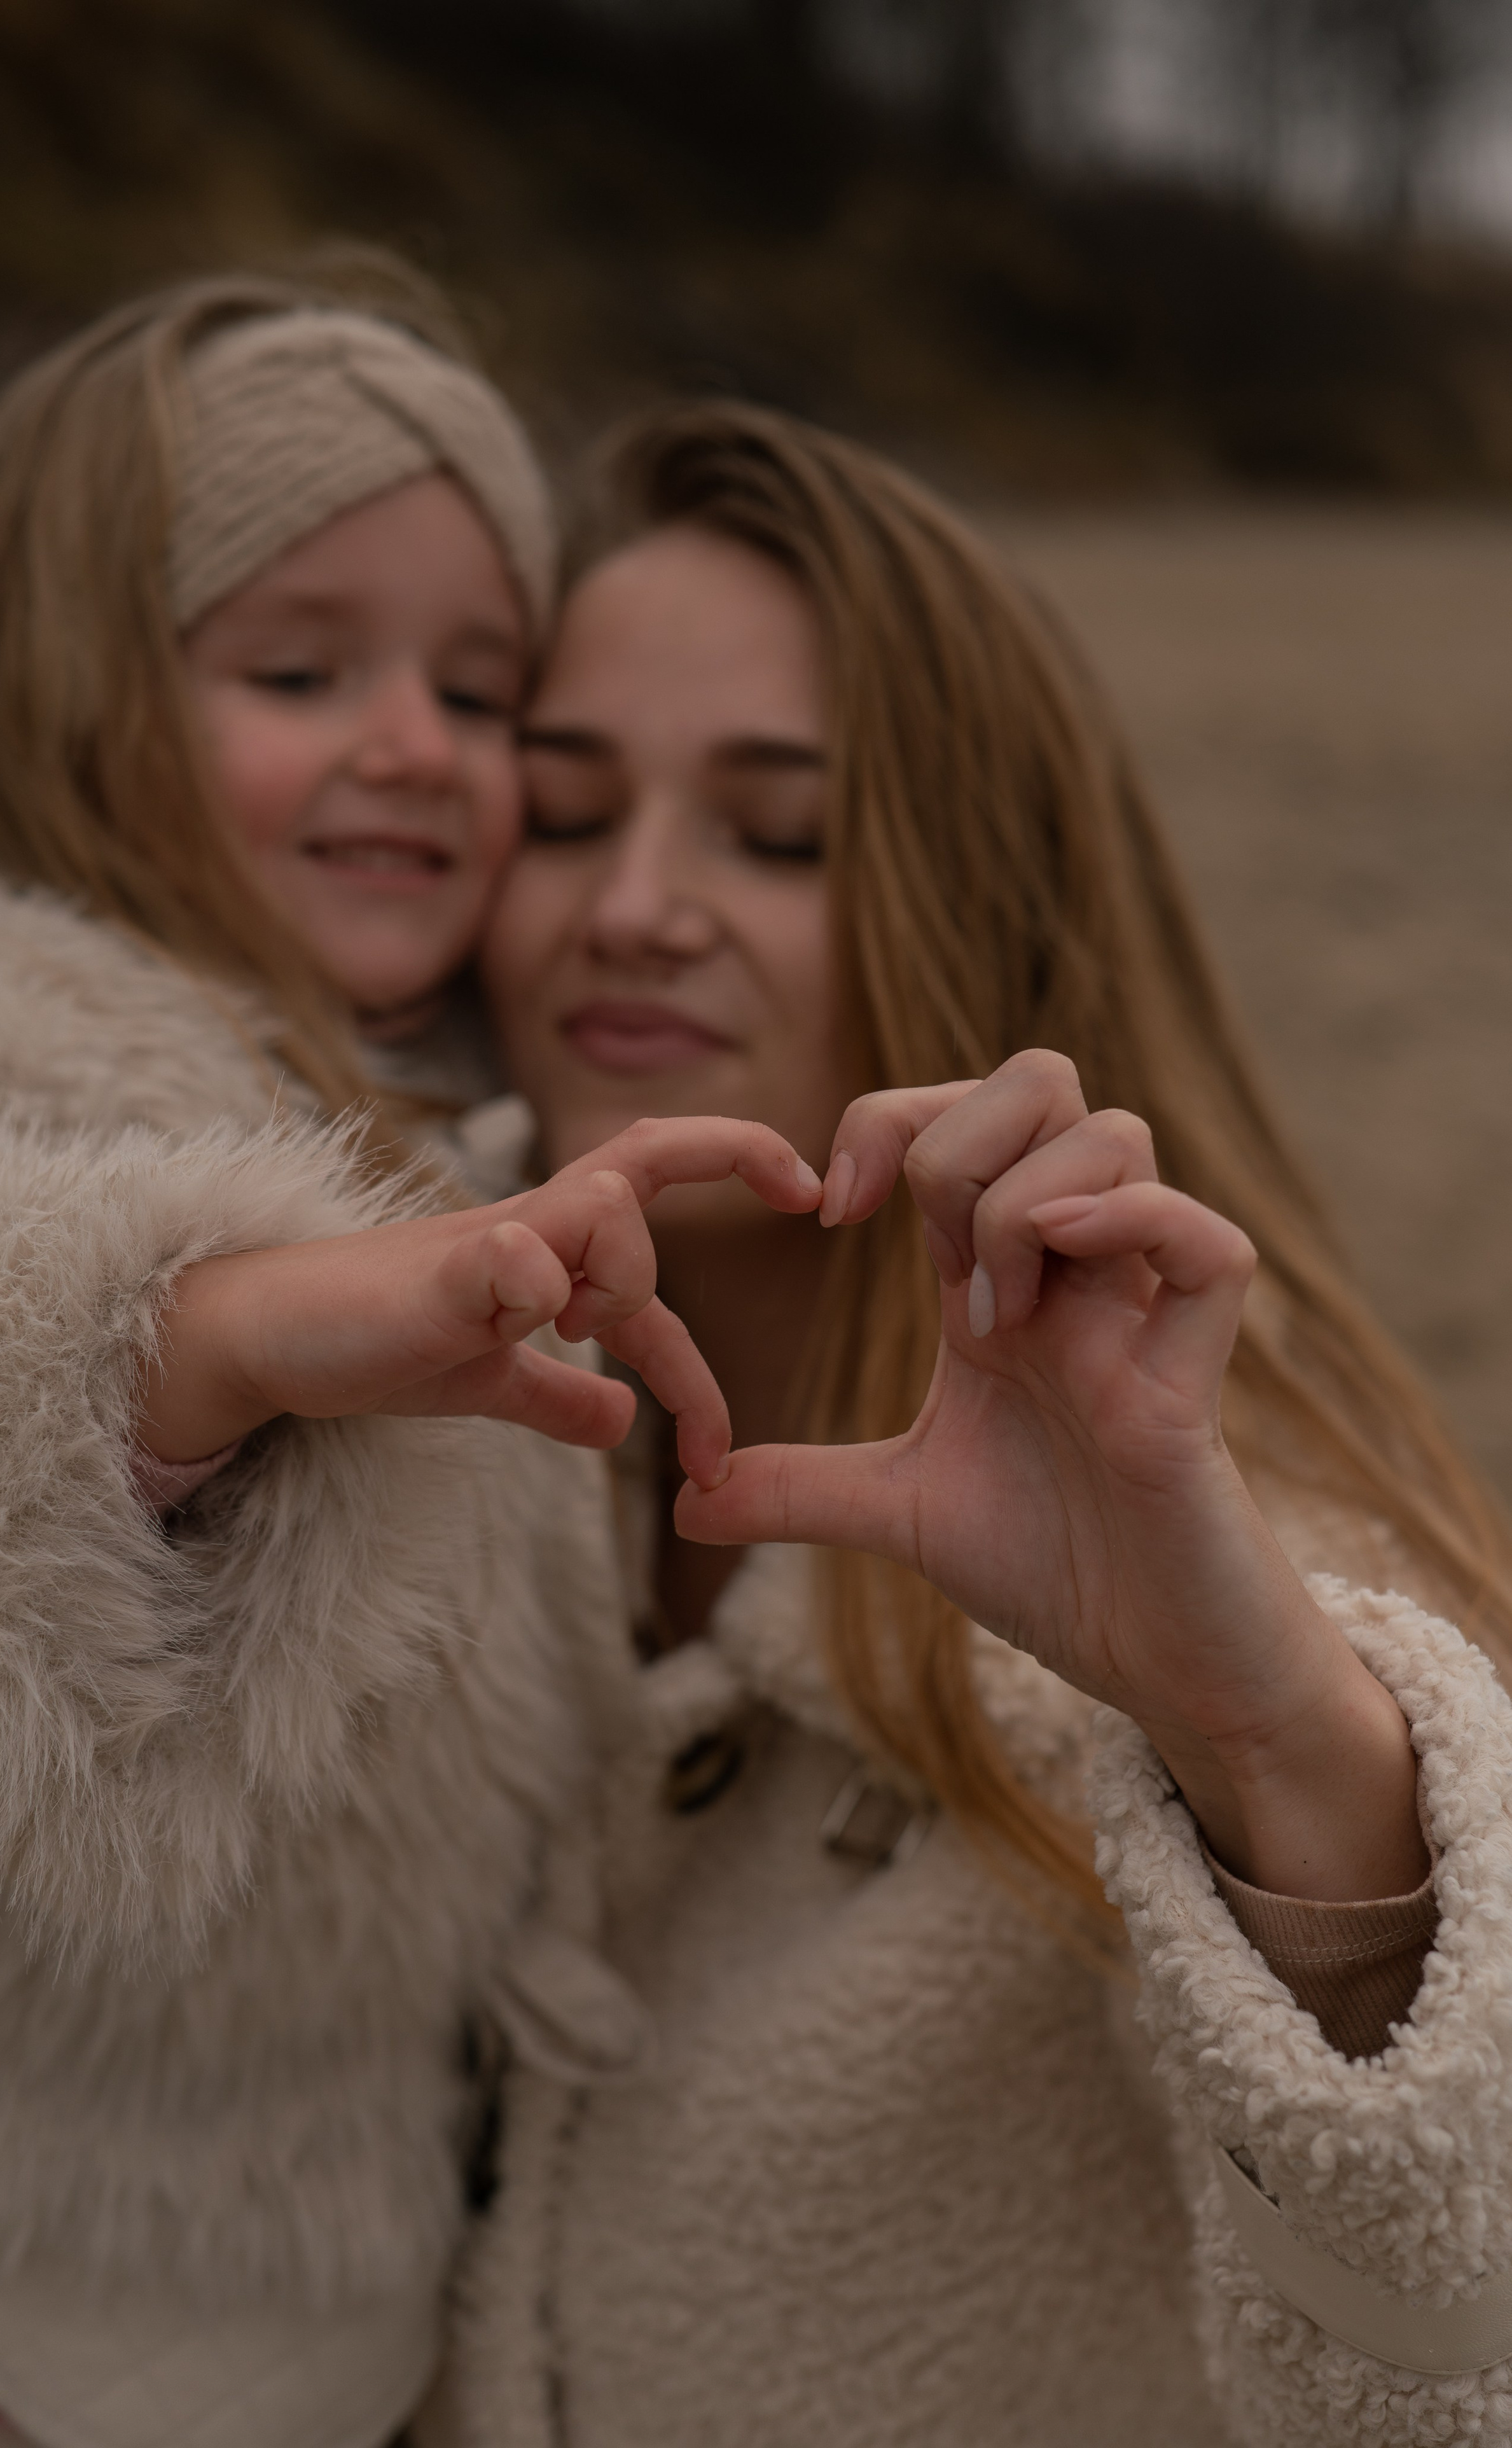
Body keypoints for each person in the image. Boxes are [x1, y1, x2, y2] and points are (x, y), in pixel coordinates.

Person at [424, 400, 1512, 2447]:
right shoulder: (430, 1479)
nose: (633, 904)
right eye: (565, 813)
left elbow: (1462, 2364)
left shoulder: (1254, 1591)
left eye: (776, 832)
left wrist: (1281, 1760)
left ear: (977, 892)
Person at [0, 265, 819, 2448]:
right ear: (65, 688)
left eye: (481, 692)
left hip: (344, 2271)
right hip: (14, 2320)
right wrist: (201, 1335)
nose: (417, 745)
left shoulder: (428, 1079)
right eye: (301, 669)